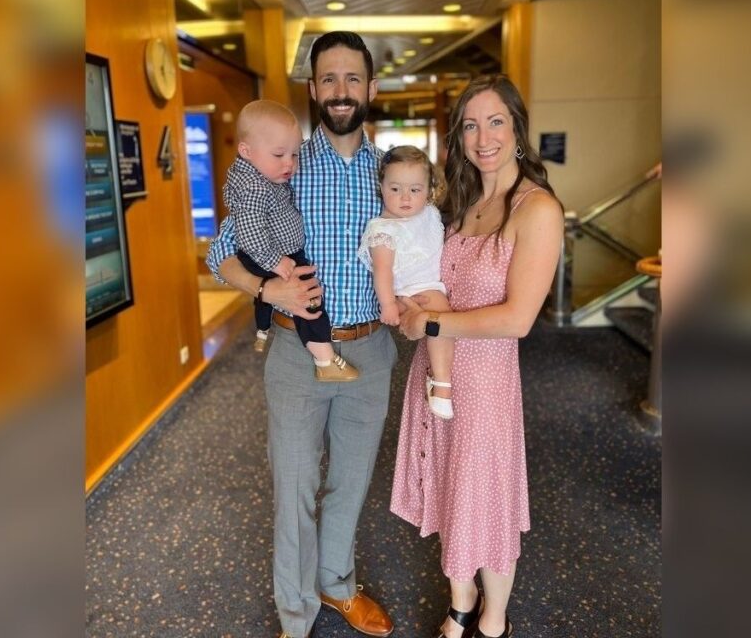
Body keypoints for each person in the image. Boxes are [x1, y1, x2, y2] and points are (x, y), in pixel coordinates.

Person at [206, 32, 395, 638]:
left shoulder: (396, 173)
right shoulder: (282, 162)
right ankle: (295, 611)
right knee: (295, 487)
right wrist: (267, 291)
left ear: (372, 88)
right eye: (329, 80)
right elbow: (219, 254)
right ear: (313, 90)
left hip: (369, 348)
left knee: (351, 480)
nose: (342, 91)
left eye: (353, 79)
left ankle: (337, 585)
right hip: (294, 349)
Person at [391, 75, 564, 638]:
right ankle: (460, 602)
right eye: (470, 124)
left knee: (484, 500)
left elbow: (518, 319)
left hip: (486, 384)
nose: (483, 136)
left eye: (495, 121)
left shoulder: (536, 209)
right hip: (437, 373)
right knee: (449, 489)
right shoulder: (459, 201)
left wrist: (433, 320)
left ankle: (493, 620)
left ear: (516, 128)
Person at [223, 99, 359, 381]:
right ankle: (324, 359)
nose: (289, 164)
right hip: (276, 255)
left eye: (294, 155)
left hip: (369, 336)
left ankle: (261, 330)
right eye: (279, 155)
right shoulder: (253, 186)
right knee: (309, 299)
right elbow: (230, 245)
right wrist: (271, 267)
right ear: (246, 152)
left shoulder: (267, 176)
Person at [358, 146, 455, 418]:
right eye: (395, 189)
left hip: (432, 281)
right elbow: (383, 271)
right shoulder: (383, 229)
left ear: (429, 189)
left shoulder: (430, 213)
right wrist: (388, 303)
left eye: (415, 190)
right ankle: (442, 384)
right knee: (441, 319)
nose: (405, 198)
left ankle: (437, 375)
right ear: (381, 186)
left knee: (444, 325)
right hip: (413, 288)